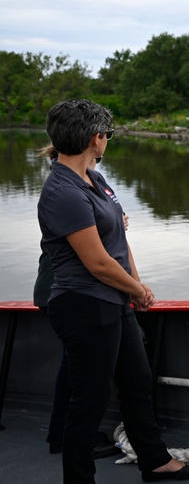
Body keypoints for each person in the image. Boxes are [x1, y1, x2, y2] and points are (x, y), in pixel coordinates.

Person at [37, 99, 189, 483]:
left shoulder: (94, 180)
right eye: (106, 134)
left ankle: (154, 461)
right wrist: (138, 291)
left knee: (136, 379)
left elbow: (116, 236)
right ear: (96, 139)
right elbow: (95, 262)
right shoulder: (63, 191)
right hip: (84, 305)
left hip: (112, 298)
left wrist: (135, 283)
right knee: (89, 402)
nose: (107, 140)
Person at [33, 146, 122, 460]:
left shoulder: (90, 182)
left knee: (73, 366)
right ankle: (63, 435)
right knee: (74, 369)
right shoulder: (66, 190)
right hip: (61, 290)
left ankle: (62, 434)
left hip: (72, 291)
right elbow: (91, 253)